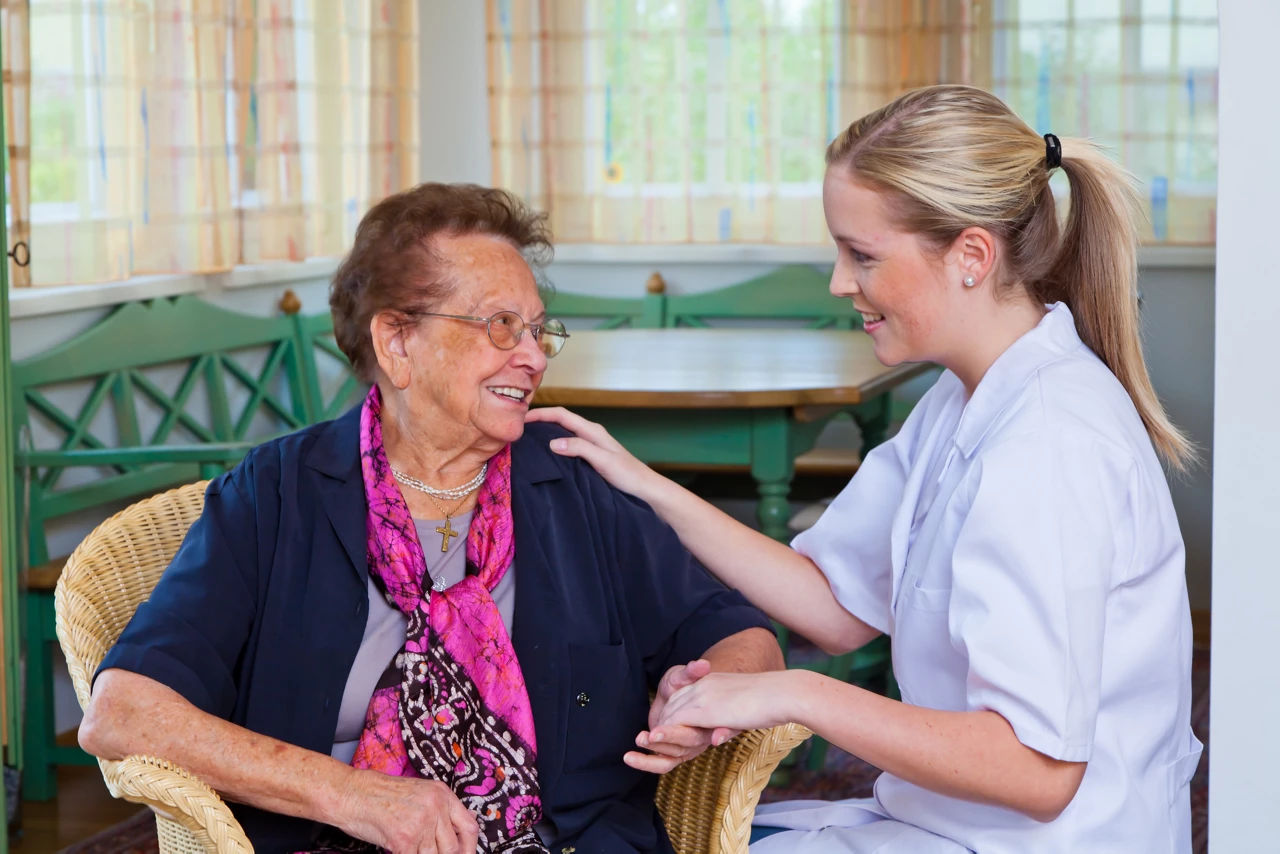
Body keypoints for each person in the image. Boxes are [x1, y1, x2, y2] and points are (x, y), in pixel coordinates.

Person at [529, 84, 1202, 853]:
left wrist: (791, 693)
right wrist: (647, 485)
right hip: (943, 825)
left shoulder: (1048, 445)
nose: (840, 283)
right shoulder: (966, 398)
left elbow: (1037, 772)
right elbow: (834, 604)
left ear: (972, 257)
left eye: (863, 256)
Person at [78, 183, 782, 854]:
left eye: (539, 330)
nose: (533, 356)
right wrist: (353, 795)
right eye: (501, 326)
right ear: (397, 342)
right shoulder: (276, 496)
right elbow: (123, 712)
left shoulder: (574, 482)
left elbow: (741, 635)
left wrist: (701, 695)